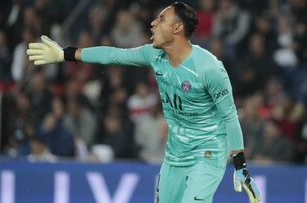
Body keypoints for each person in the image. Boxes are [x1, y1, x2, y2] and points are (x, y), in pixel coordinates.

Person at [27, 2, 261, 203]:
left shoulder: (209, 68)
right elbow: (114, 55)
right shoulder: (154, 55)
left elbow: (229, 115)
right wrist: (64, 54)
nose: (153, 23)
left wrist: (240, 165)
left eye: (161, 19)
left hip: (207, 152)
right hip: (175, 154)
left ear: (177, 28)